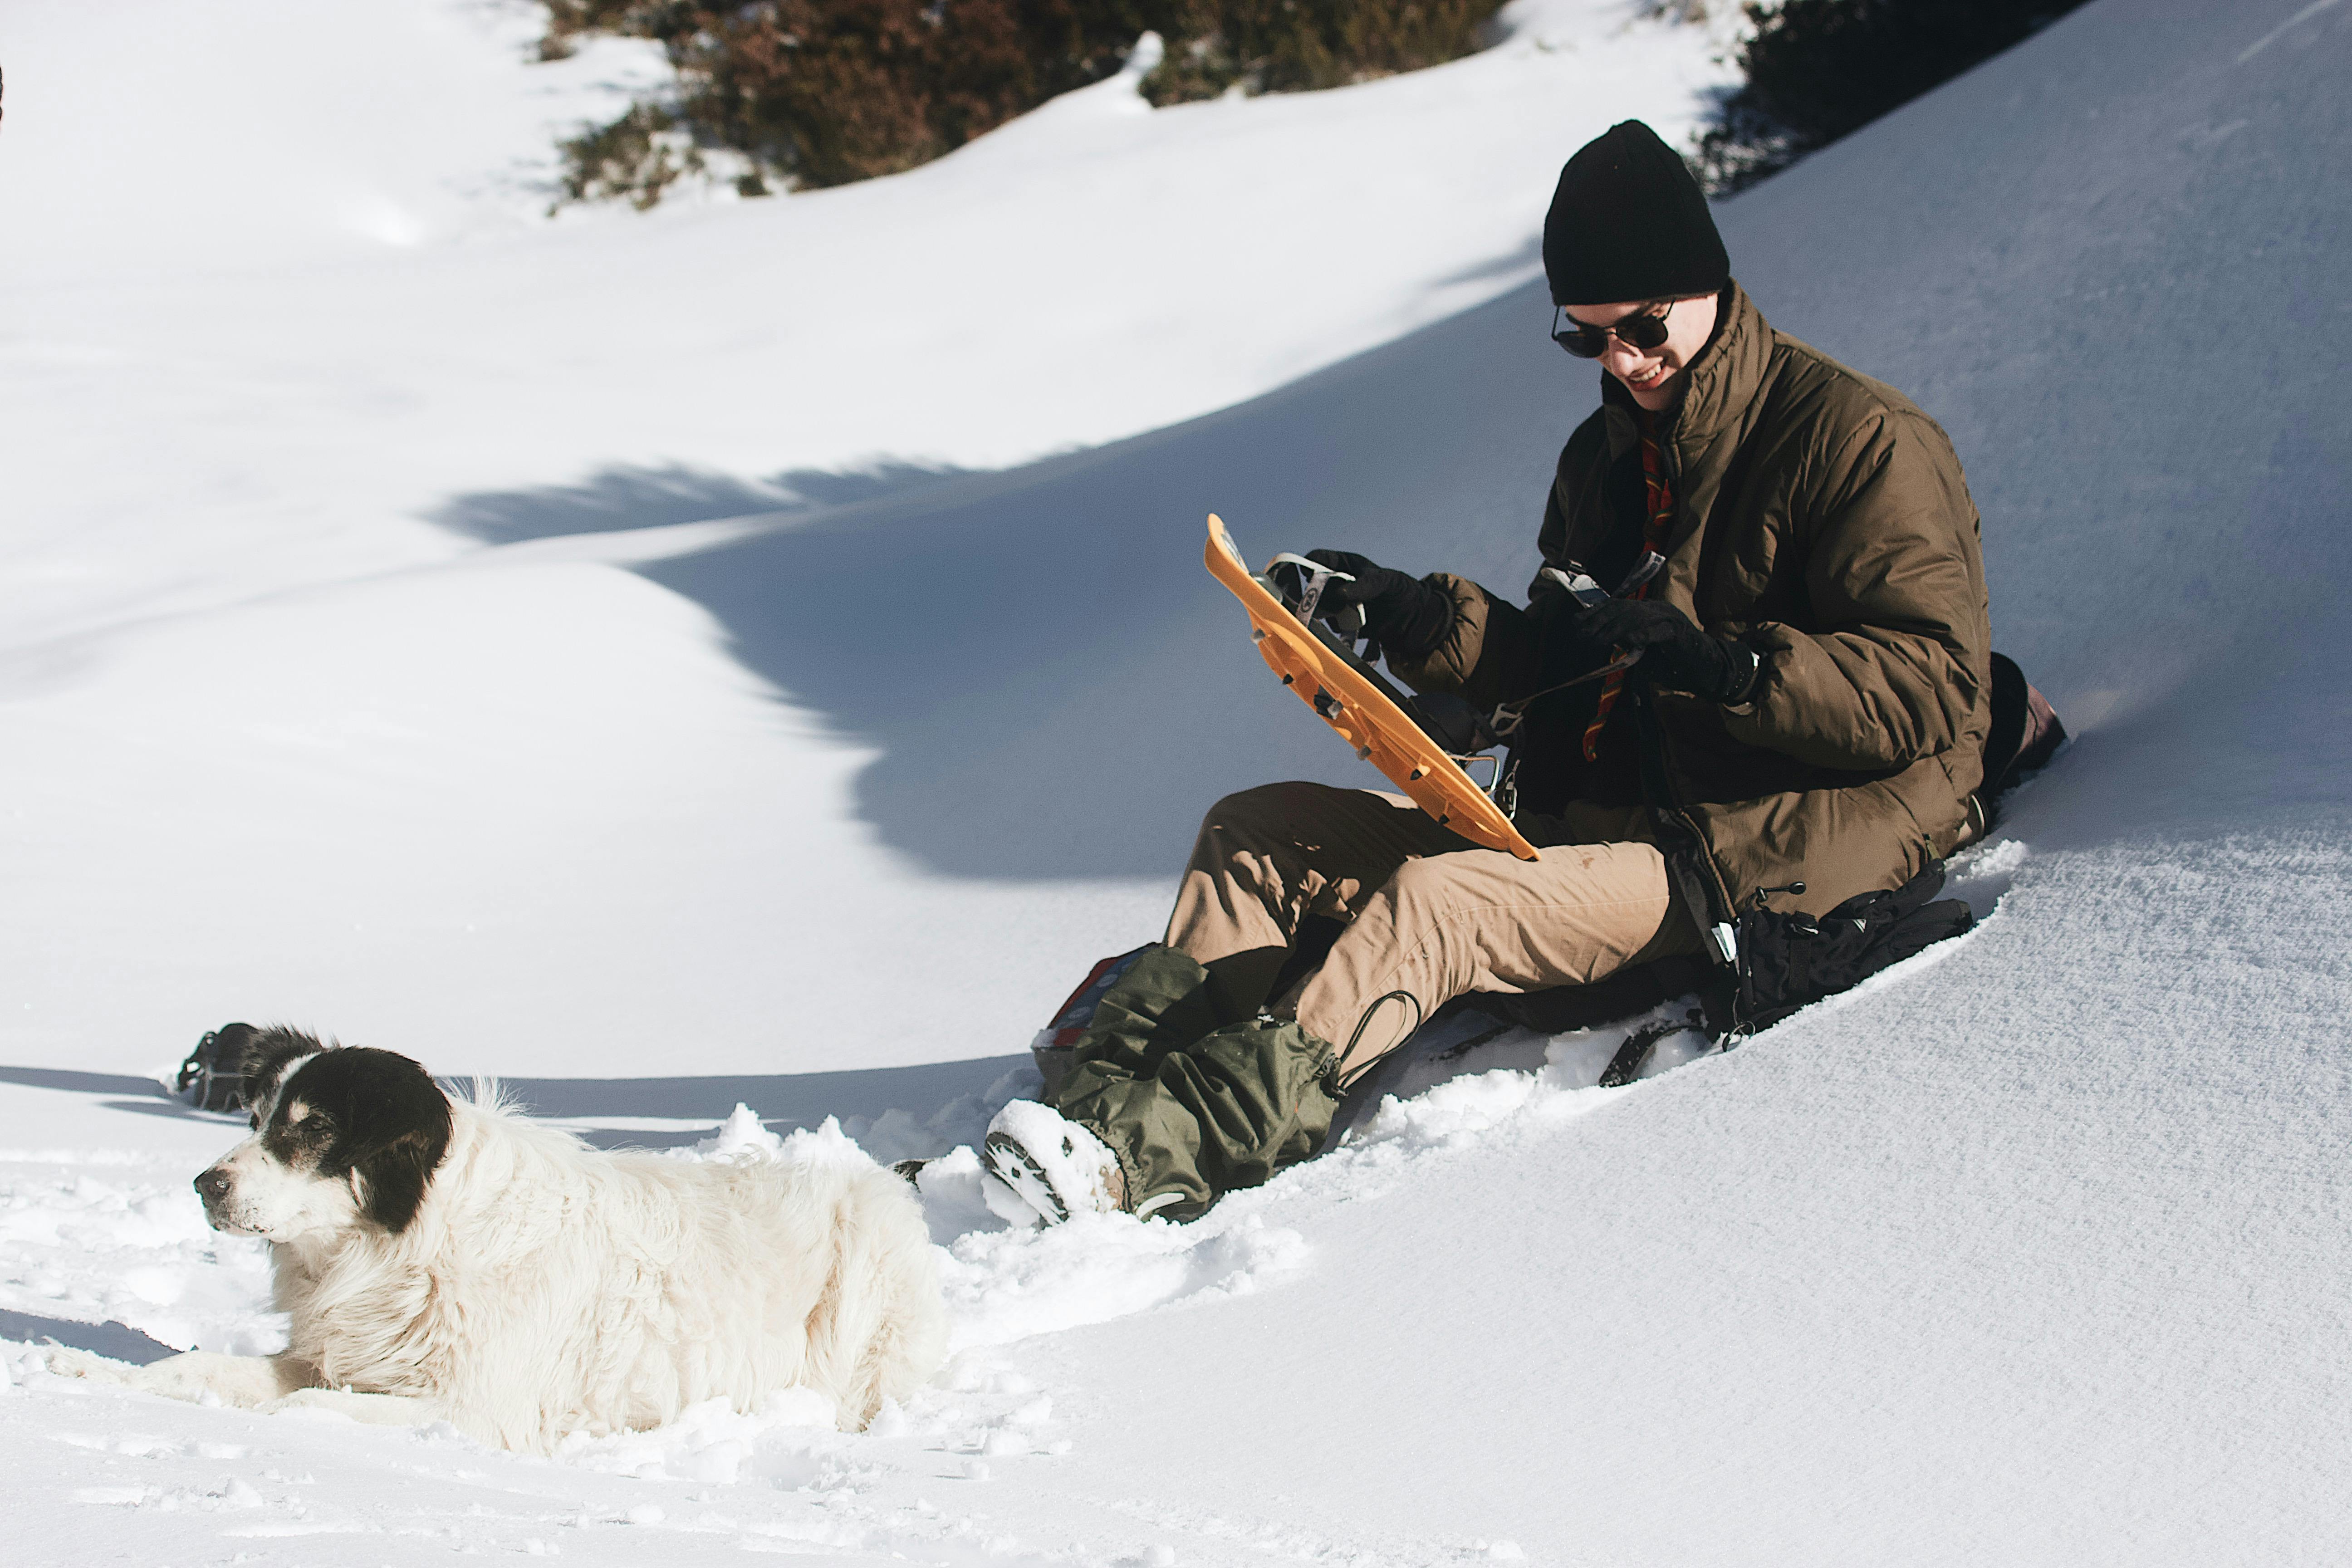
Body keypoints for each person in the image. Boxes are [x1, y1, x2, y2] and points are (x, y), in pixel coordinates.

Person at [978, 119, 1991, 1225]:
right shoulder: (1603, 461)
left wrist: (1732, 667)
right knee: (1253, 830)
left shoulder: (1860, 440)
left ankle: (1150, 1160)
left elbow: (1937, 688)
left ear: (1707, 284)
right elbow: (1554, 670)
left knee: (1438, 904)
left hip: (1735, 851)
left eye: (1644, 327)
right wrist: (1412, 617)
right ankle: (1096, 1103)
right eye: (1588, 338)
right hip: (1575, 824)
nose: (1621, 361)